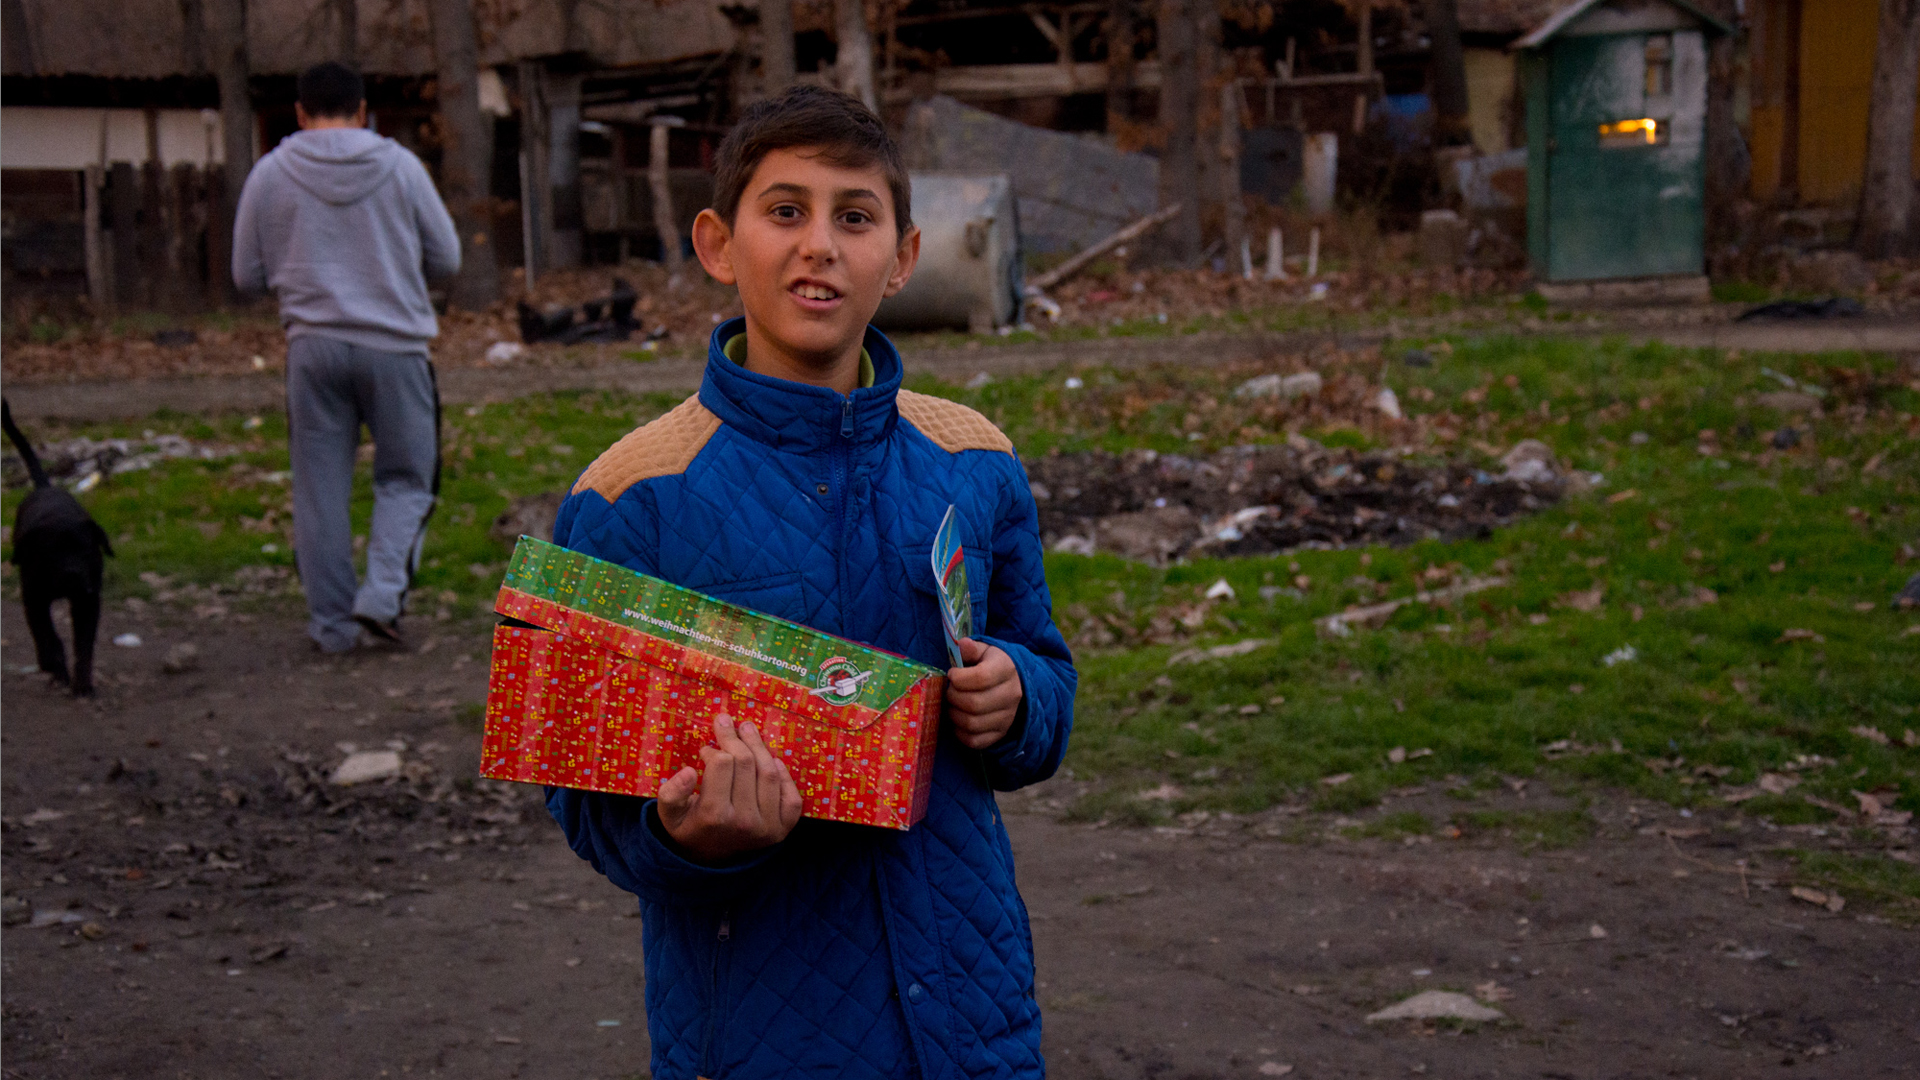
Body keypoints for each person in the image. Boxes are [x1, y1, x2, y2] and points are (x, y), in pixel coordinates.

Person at [545, 85, 1076, 1079]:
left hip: (975, 1018)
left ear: (904, 256)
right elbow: (582, 800)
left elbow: (1044, 666)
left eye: (855, 216)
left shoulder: (975, 461)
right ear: (717, 243)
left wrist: (1018, 695)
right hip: (758, 1032)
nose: (819, 244)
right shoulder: (628, 498)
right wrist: (689, 835)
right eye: (785, 211)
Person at [232, 61, 460, 652]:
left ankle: (331, 629)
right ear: (363, 111)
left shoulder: (269, 174)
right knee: (408, 478)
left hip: (312, 349)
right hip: (397, 348)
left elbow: (245, 275)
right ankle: (382, 598)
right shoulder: (401, 167)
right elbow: (448, 259)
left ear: (301, 113)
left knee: (319, 489)